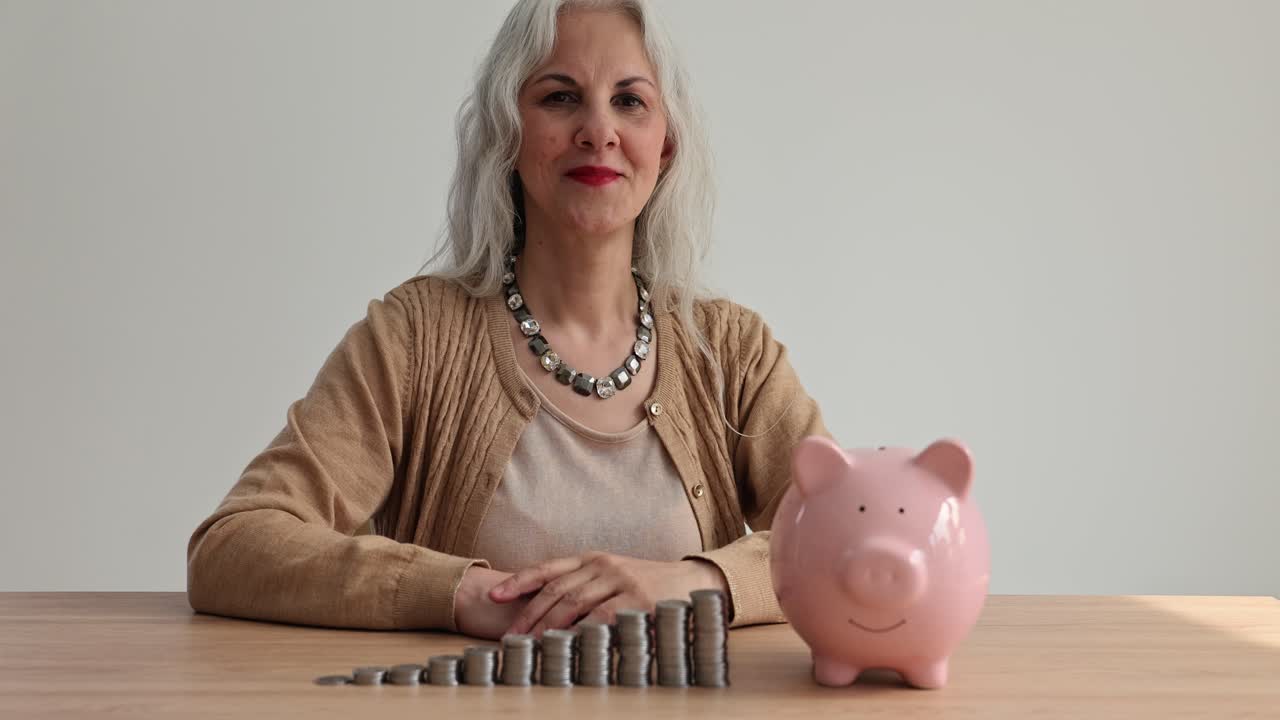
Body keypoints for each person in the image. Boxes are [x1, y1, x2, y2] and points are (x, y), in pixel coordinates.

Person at [186, 0, 830, 641]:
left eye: (629, 101)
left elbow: (842, 539)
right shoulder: (413, 337)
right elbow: (234, 546)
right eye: (559, 97)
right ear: (507, 132)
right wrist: (463, 594)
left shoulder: (732, 350)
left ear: (665, 146)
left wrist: (694, 584)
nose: (597, 130)